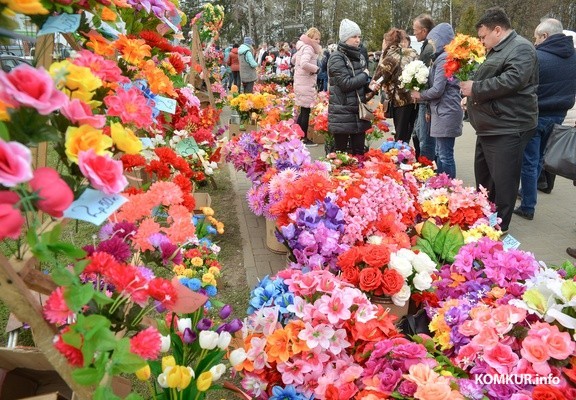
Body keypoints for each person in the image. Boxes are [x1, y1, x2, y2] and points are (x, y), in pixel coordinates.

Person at [459, 7, 538, 234]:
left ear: (497, 30)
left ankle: (499, 228)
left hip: (508, 126)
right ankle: (486, 218)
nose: (481, 41)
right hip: (491, 126)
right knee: (485, 179)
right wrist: (472, 99)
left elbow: (513, 80)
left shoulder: (521, 47)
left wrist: (476, 89)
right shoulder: (498, 49)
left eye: (483, 37)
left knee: (504, 182)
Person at [514, 19, 576, 221]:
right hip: (559, 115)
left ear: (545, 36)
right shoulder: (573, 57)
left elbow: (525, 87)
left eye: (536, 37)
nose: (535, 41)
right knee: (540, 158)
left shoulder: (537, 57)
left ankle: (528, 206)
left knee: (529, 161)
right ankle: (527, 192)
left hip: (536, 115)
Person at [411, 23, 463, 178]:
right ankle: (443, 184)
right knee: (441, 152)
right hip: (443, 109)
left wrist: (419, 95)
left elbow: (438, 89)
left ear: (442, 40)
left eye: (434, 41)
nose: (432, 45)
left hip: (446, 109)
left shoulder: (444, 59)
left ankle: (448, 187)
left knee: (445, 154)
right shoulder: (443, 57)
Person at [327, 18, 374, 155]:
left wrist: (369, 86)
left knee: (359, 153)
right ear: (345, 38)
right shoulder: (336, 58)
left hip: (357, 113)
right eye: (354, 36)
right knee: (341, 155)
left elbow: (358, 85)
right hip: (342, 114)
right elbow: (346, 84)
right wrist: (365, 75)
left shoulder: (358, 57)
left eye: (359, 36)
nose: (358, 40)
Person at [374, 28, 419, 144]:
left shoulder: (391, 57)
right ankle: (408, 156)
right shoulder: (412, 53)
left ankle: (401, 158)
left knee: (400, 135)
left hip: (400, 100)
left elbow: (378, 77)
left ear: (388, 42)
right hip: (415, 99)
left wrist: (367, 94)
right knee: (409, 134)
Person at [412, 14, 436, 161]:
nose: (414, 33)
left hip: (425, 101)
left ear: (424, 30)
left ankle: (427, 168)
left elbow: (429, 80)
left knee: (425, 138)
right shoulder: (427, 46)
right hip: (423, 100)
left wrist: (427, 107)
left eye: (416, 30)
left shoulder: (429, 49)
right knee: (418, 134)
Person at [293, 27, 322, 147]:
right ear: (310, 38)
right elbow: (304, 63)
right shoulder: (309, 48)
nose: (318, 41)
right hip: (305, 83)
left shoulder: (302, 47)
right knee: (305, 111)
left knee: (303, 111)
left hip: (301, 82)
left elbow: (293, 59)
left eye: (319, 39)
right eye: (316, 38)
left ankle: (298, 136)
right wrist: (316, 69)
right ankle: (303, 138)